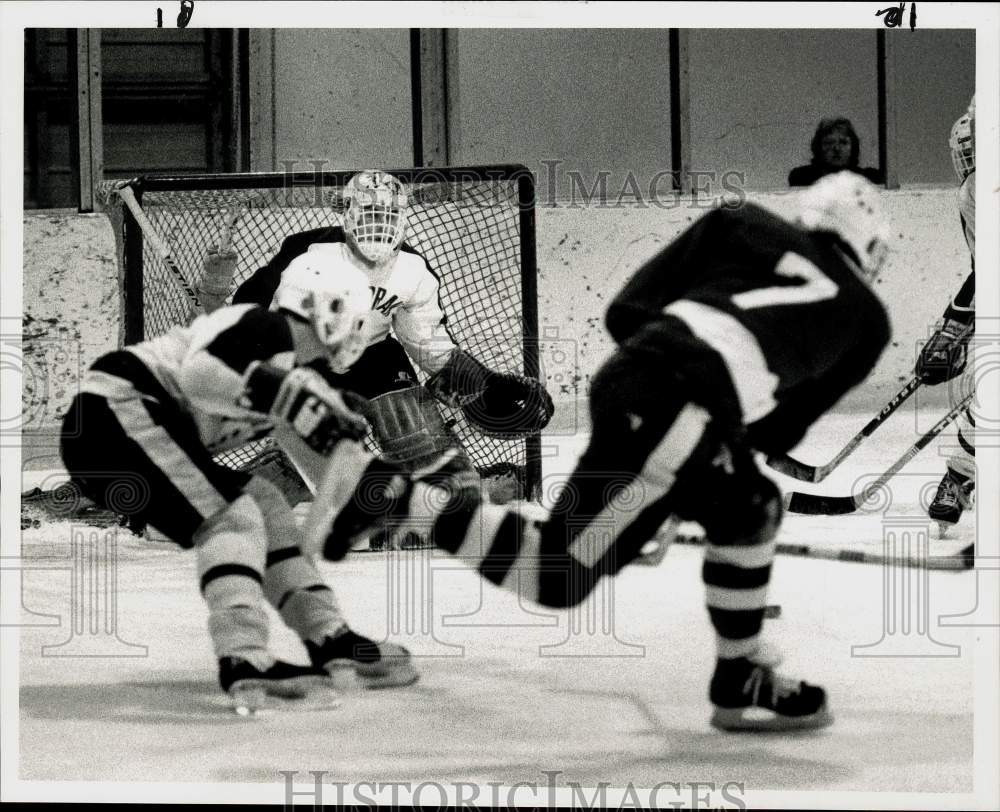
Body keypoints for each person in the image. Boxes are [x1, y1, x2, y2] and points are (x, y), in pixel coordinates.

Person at [311, 171, 893, 732]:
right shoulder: (867, 320)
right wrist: (683, 458)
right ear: (867, 243)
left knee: (745, 504)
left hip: (635, 376)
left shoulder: (744, 221)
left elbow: (628, 310)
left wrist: (681, 464)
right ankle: (400, 495)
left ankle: (740, 674)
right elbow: (778, 433)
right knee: (562, 571)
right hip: (681, 409)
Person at [59, 253, 419, 711]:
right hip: (117, 412)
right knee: (233, 517)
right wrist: (298, 404)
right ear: (330, 307)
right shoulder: (263, 329)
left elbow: (323, 463)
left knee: (265, 503)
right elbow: (201, 376)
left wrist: (366, 496)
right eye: (357, 315)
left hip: (115, 428)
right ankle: (245, 660)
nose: (360, 330)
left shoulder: (292, 372)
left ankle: (329, 636)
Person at [226, 170, 553, 544]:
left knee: (438, 474)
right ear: (347, 213)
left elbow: (427, 343)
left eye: (387, 214)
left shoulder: (412, 269)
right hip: (312, 365)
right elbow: (253, 313)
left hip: (377, 359)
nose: (378, 223)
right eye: (368, 213)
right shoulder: (305, 252)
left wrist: (481, 384)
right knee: (281, 486)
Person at [915, 95, 976, 533]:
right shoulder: (974, 193)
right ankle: (958, 478)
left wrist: (956, 325)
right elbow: (988, 270)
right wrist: (955, 324)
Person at [789, 118, 882, 187]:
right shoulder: (802, 177)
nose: (836, 148)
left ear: (853, 147)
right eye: (829, 143)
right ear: (818, 148)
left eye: (843, 142)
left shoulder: (870, 178)